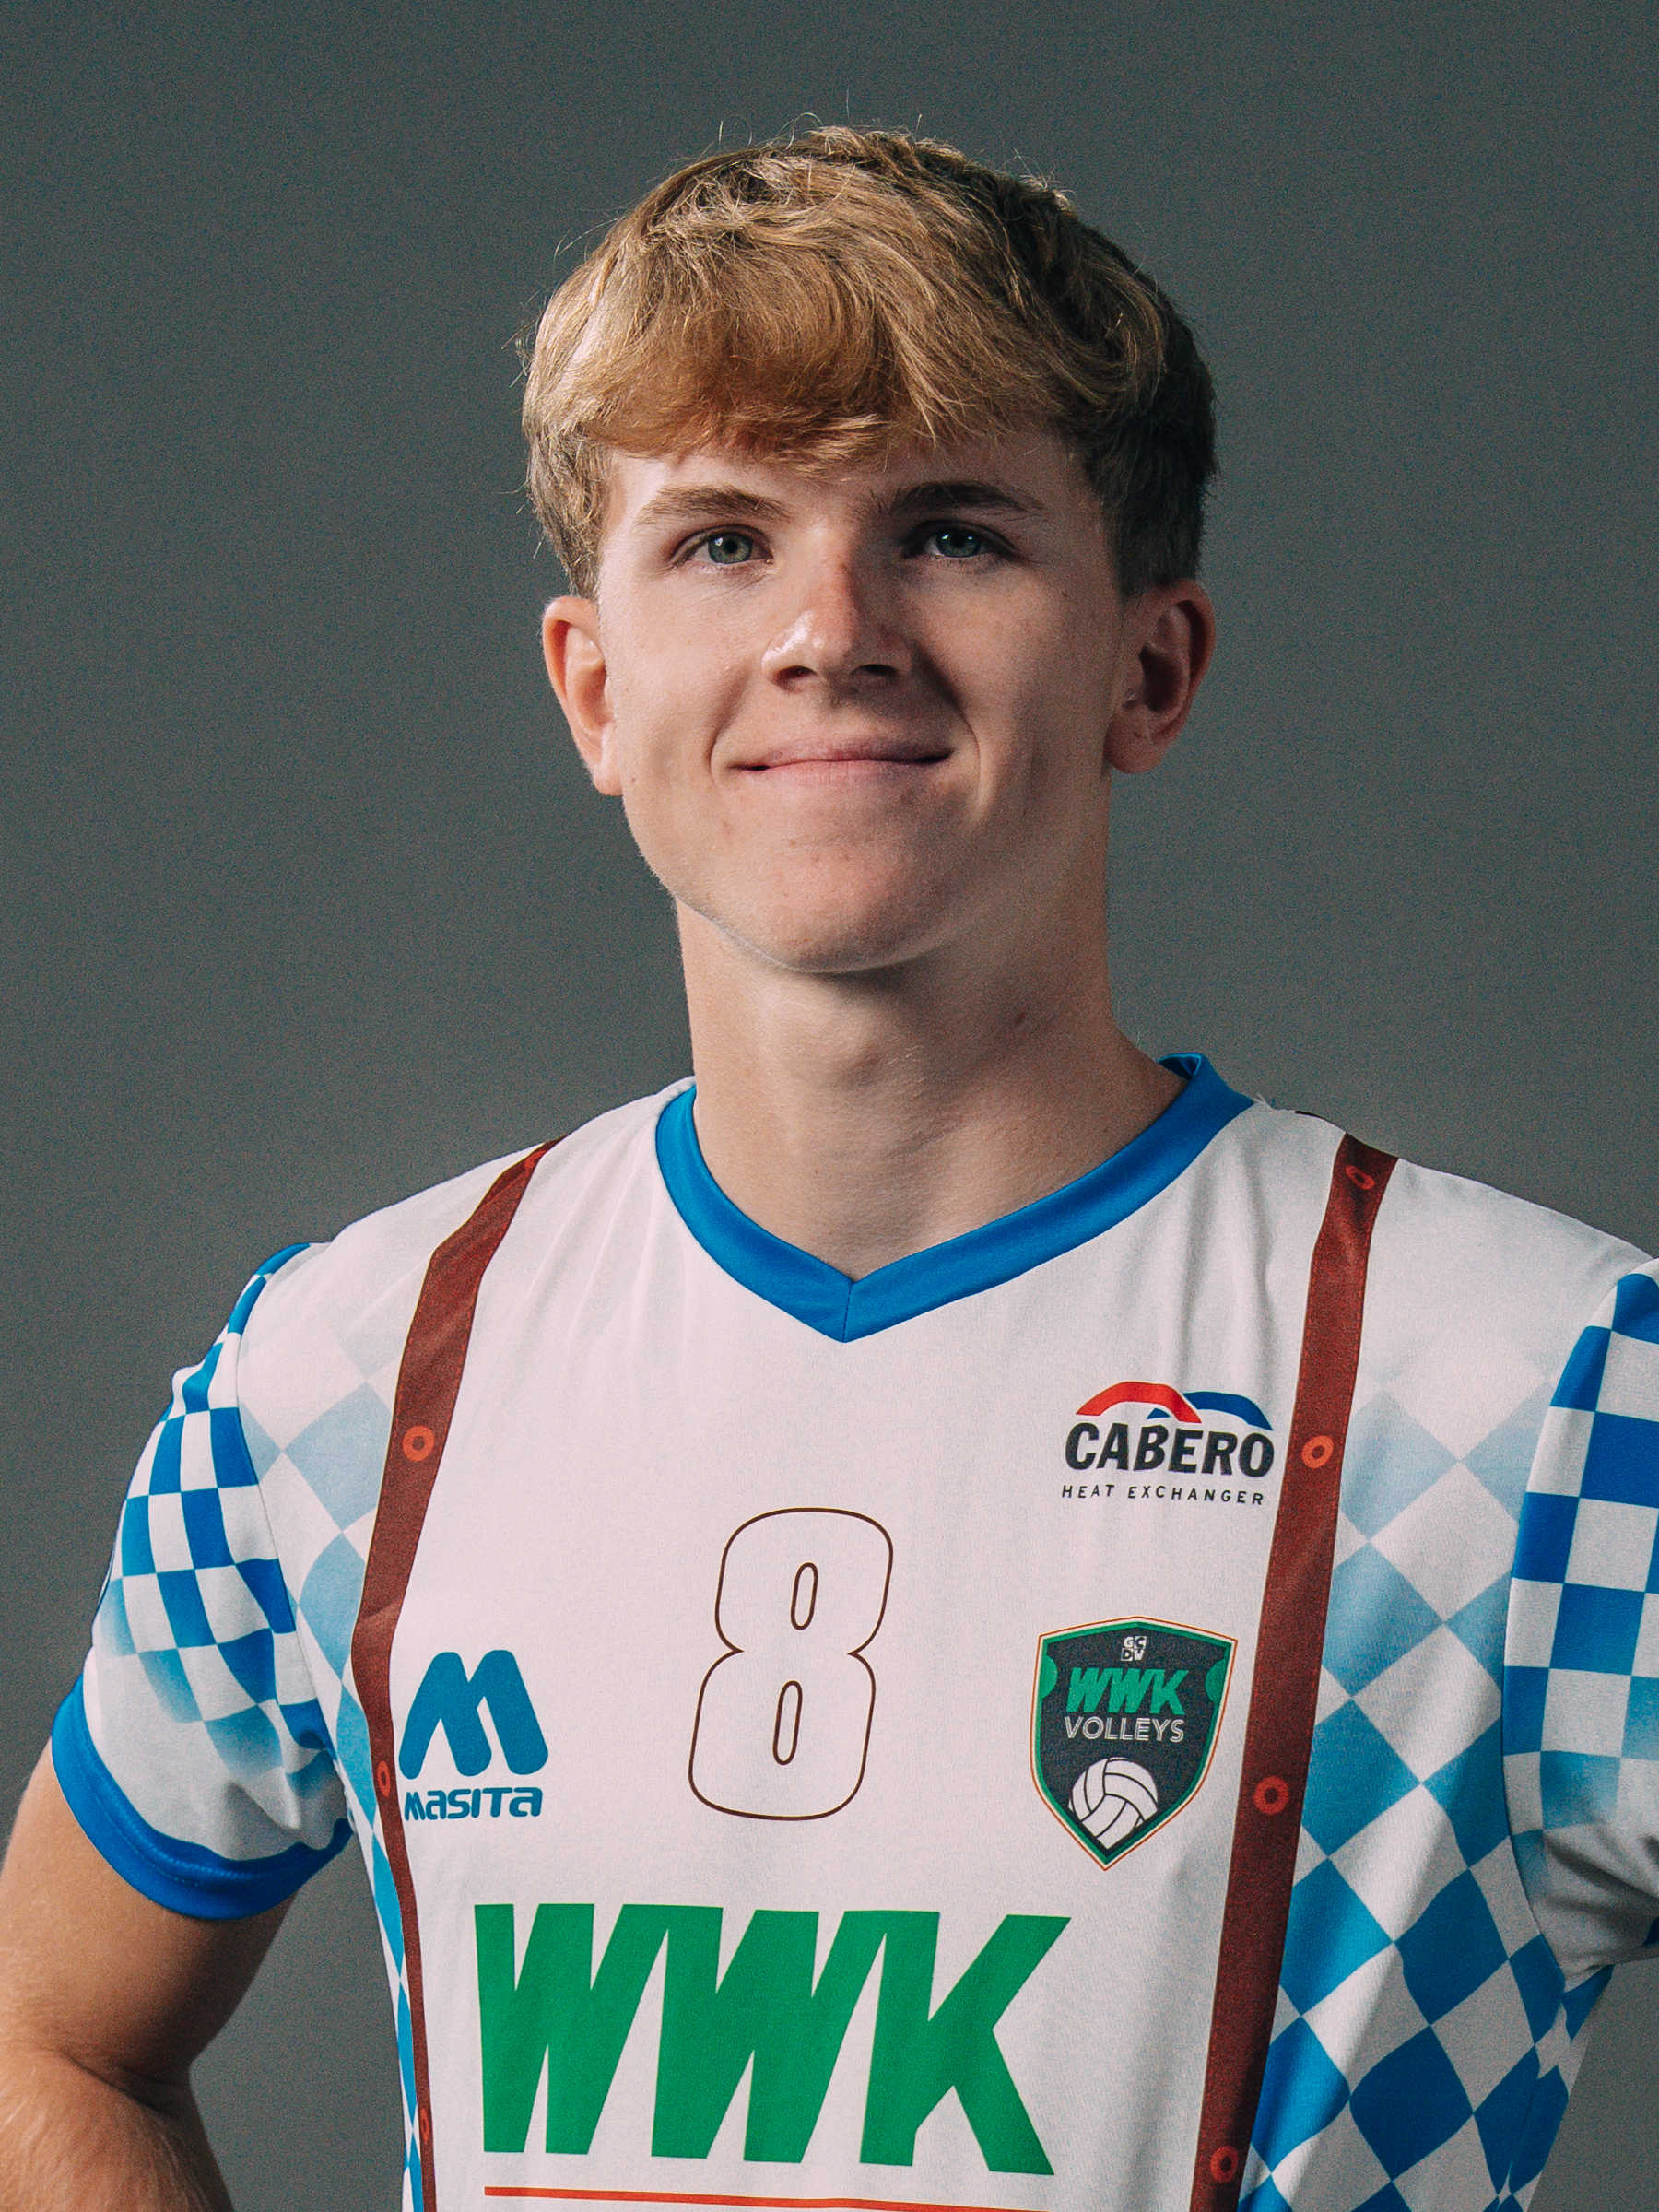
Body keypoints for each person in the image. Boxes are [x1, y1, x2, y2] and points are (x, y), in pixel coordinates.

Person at [0, 124, 1653, 2212]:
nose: (829, 630)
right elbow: (48, 2035)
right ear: (595, 691)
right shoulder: (341, 1377)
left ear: (1149, 668)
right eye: (721, 541)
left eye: (952, 532)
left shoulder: (1540, 1396)